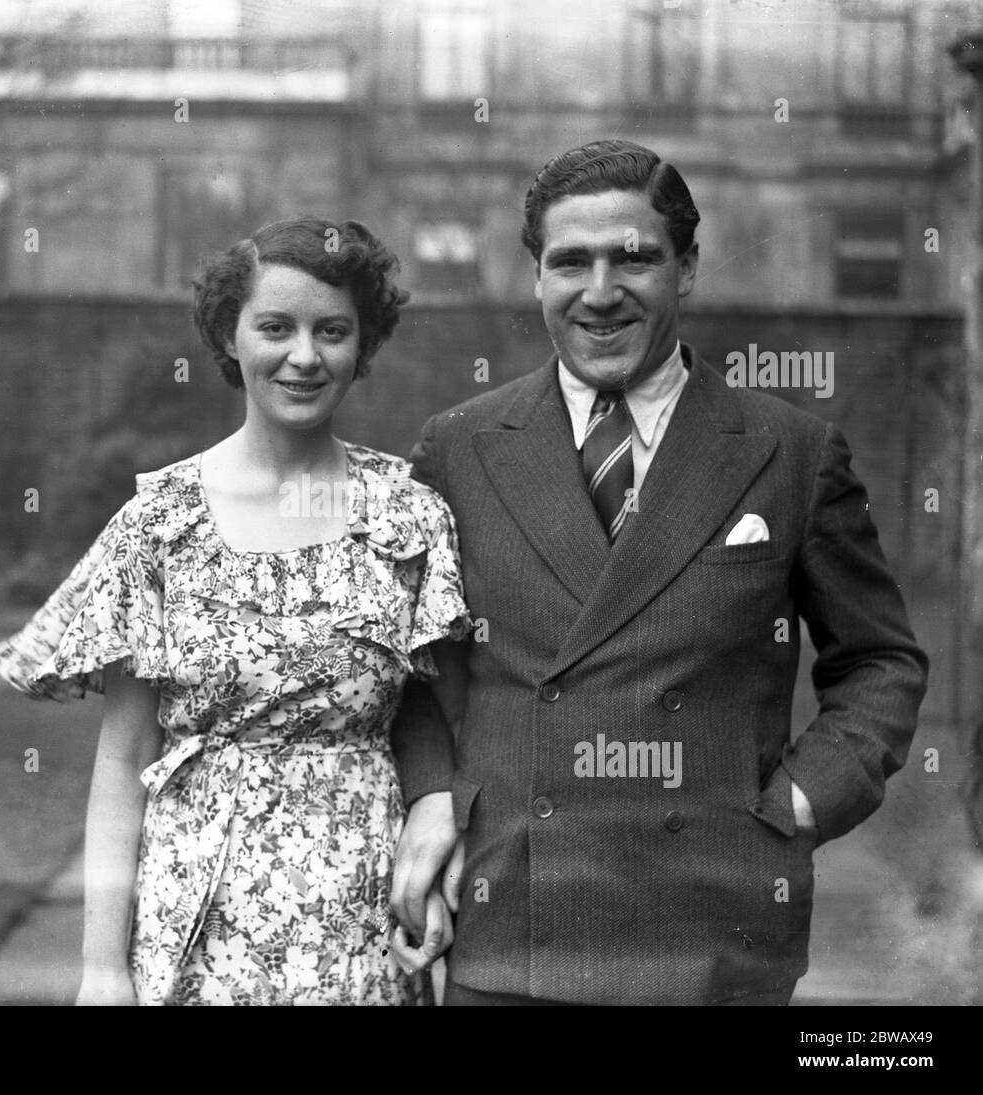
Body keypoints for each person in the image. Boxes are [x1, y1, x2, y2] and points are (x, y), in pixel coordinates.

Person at [388, 139, 929, 1005]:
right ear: (536, 277)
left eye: (633, 258)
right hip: (513, 922)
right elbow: (413, 669)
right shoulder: (459, 446)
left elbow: (880, 659)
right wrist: (429, 800)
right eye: (571, 262)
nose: (600, 293)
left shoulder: (790, 450)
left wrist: (800, 801)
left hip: (712, 932)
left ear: (687, 268)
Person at [0, 217, 469, 1005]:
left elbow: (450, 722)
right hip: (196, 912)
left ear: (364, 344)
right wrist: (101, 969)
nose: (305, 356)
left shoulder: (407, 518)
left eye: (334, 330)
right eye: (276, 327)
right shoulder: (160, 525)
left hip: (356, 919)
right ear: (229, 334)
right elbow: (122, 761)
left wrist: (436, 828)